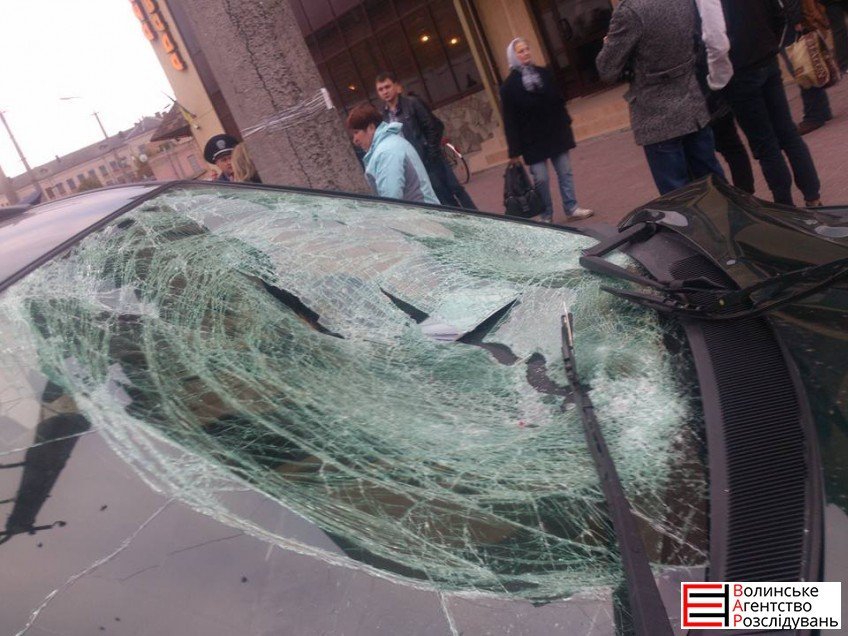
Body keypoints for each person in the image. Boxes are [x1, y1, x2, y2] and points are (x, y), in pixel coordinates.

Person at [596, 0, 725, 196]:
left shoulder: (629, 11)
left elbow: (606, 69)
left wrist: (609, 44)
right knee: (715, 186)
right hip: (693, 105)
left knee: (678, 197)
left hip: (657, 115)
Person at [720, 0, 823, 206]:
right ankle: (812, 196)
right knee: (787, 133)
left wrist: (718, 76)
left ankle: (784, 203)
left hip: (739, 70)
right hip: (766, 59)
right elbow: (779, 15)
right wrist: (770, 44)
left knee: (765, 143)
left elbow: (713, 40)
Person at [500, 38, 593, 223]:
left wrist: (566, 123)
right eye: (520, 51)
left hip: (555, 133)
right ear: (513, 56)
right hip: (532, 141)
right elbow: (510, 121)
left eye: (527, 49)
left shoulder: (544, 73)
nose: (526, 53)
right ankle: (546, 215)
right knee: (541, 179)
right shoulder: (508, 87)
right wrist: (514, 151)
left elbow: (558, 100)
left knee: (565, 172)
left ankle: (572, 207)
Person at [375, 72, 477, 209]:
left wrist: (431, 153)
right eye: (381, 89)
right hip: (414, 164)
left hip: (430, 158)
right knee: (442, 198)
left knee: (455, 189)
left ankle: (478, 217)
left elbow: (433, 127)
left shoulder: (412, 104)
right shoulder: (384, 117)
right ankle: (462, 221)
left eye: (387, 87)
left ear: (396, 87)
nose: (385, 92)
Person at [695, 0, 756, 193]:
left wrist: (715, 78)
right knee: (728, 144)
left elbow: (714, 41)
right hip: (709, 75)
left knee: (715, 147)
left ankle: (741, 195)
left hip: (704, 78)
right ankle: (744, 193)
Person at [346, 104, 439, 205]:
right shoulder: (390, 144)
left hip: (419, 213)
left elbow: (391, 200)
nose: (355, 140)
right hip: (422, 210)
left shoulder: (386, 152)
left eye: (356, 132)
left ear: (371, 128)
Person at [781, 0, 834, 135]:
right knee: (808, 62)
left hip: (789, 22)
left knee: (801, 67)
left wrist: (795, 19)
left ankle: (814, 115)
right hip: (793, 18)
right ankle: (822, 109)